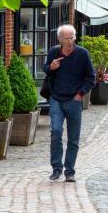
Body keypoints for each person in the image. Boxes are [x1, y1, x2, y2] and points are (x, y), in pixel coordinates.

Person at [44, 24, 96, 182]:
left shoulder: (82, 54)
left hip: (74, 99)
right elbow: (46, 69)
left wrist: (80, 94)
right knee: (56, 132)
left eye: (72, 37)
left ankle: (70, 171)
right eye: (66, 38)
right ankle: (56, 168)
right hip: (56, 99)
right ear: (59, 39)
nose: (70, 41)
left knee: (73, 138)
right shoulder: (54, 51)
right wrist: (51, 67)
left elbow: (91, 77)